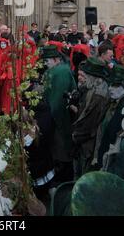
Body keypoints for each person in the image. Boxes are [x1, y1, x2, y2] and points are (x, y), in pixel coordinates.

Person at [41, 45, 76, 183]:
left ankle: (63, 181)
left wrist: (48, 120)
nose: (45, 64)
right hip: (59, 118)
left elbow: (56, 103)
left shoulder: (59, 72)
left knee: (61, 150)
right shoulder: (57, 70)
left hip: (60, 120)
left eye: (47, 61)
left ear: (56, 60)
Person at [72, 57, 110, 178]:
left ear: (94, 77)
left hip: (88, 144)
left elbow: (90, 123)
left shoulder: (99, 96)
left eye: (86, 75)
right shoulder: (93, 88)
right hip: (85, 141)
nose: (84, 78)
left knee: (84, 175)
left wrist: (76, 136)